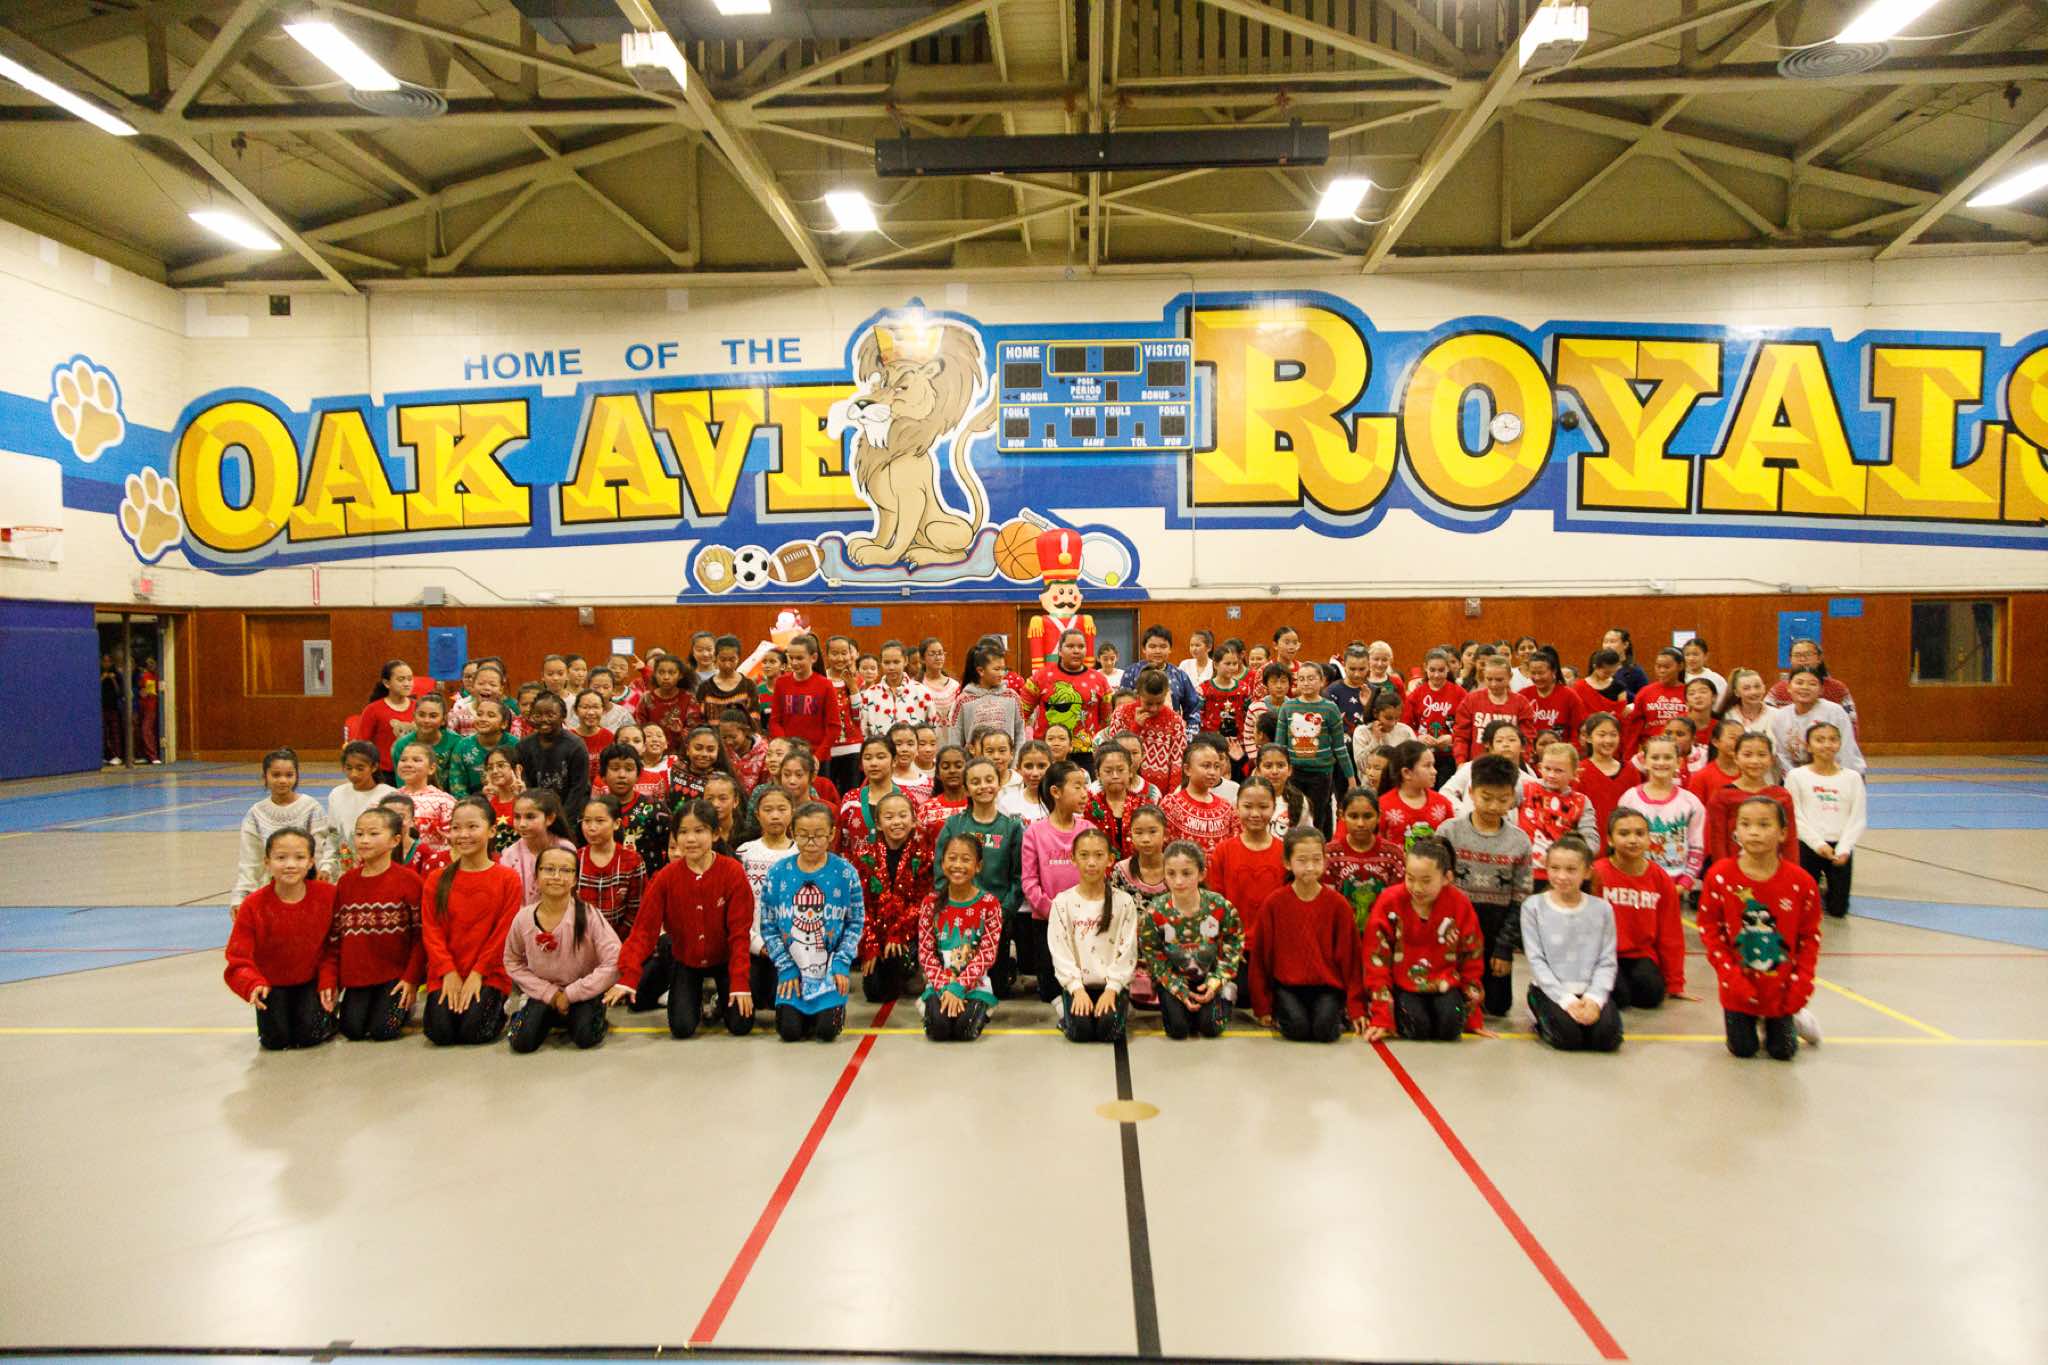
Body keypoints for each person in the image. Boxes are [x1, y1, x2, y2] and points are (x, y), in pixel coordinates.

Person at [609, 799, 756, 1037]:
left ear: (715, 834)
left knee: (741, 1025)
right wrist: (629, 974)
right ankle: (691, 997)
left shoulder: (733, 872)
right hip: (686, 959)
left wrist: (740, 982)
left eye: (699, 831)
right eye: (683, 832)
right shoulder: (665, 877)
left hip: (725, 958)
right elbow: (643, 931)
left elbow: (740, 933)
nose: (690, 839)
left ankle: (719, 998)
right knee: (682, 1028)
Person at [1698, 796, 1823, 1060]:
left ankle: (1796, 1018)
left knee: (1783, 1051)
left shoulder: (1801, 883)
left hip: (1781, 988)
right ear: (1736, 831)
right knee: (1743, 1049)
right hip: (1738, 987)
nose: (1754, 832)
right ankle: (1753, 1019)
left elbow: (1809, 938)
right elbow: (1710, 931)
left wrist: (1801, 984)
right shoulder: (1720, 876)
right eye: (1745, 824)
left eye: (1764, 825)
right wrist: (1731, 978)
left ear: (1783, 833)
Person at [1359, 838, 1486, 1043]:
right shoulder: (1389, 901)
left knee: (1451, 1026)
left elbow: (1472, 956)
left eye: (1426, 881)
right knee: (1417, 1027)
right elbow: (1376, 960)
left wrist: (1473, 1016)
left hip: (1445, 983)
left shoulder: (1460, 904)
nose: (1417, 888)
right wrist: (1382, 1016)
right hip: (1403, 985)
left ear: (1447, 878)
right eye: (1410, 878)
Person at [223, 827, 337, 1051]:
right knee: (275, 1041)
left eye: (299, 857)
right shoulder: (253, 905)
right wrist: (253, 983)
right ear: (267, 862)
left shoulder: (328, 895)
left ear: (311, 862)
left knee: (309, 1036)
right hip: (271, 984)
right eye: (281, 858)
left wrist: (328, 979)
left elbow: (334, 947)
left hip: (312, 980)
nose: (290, 865)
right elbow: (237, 957)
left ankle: (329, 1017)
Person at [421, 798, 524, 1046]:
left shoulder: (508, 879)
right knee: (440, 1033)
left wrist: (478, 974)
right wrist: (448, 972)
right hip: (446, 971)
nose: (463, 835)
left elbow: (502, 935)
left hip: (489, 973)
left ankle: (504, 1009)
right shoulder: (437, 879)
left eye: (472, 827)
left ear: (491, 831)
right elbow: (431, 931)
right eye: (456, 828)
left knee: (474, 1032)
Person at [1438, 754, 1534, 1019]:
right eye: (1486, 797)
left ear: (1513, 798)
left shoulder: (1520, 842)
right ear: (1471, 792)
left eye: (1503, 800)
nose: (1493, 806)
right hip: (1454, 929)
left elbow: (1521, 899)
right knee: (1451, 1002)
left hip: (1495, 930)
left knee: (1498, 1007)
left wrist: (1505, 948)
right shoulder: (1449, 832)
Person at [760, 801, 864, 1042]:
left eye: (818, 836)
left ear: (831, 834)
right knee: (789, 1032)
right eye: (803, 835)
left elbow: (855, 923)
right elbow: (768, 925)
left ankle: (830, 1009)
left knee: (826, 1032)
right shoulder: (777, 873)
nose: (810, 842)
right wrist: (785, 967)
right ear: (793, 833)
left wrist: (841, 963)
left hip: (828, 972)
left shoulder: (846, 873)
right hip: (792, 970)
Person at [503, 846, 620, 1053]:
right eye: (549, 869)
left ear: (575, 879)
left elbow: (614, 960)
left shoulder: (588, 915)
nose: (556, 876)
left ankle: (589, 1013)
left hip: (582, 992)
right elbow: (512, 961)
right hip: (543, 994)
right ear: (536, 876)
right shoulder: (523, 918)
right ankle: (537, 1013)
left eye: (566, 870)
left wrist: (572, 993)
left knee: (585, 1037)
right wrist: (550, 994)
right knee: (522, 1042)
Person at [1248, 827, 1359, 1042]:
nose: (1310, 867)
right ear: (1287, 863)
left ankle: (1336, 1013)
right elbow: (1261, 957)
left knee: (1324, 1030)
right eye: (1302, 860)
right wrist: (1263, 1007)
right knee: (1297, 1028)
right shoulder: (1274, 904)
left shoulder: (1338, 905)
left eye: (1316, 860)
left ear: (1325, 860)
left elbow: (1350, 959)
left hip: (1327, 986)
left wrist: (1356, 1007)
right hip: (1288, 986)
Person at [1519, 835, 1622, 1053]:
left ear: (1587, 872)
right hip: (1550, 991)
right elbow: (1536, 961)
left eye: (1571, 869)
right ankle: (1538, 1013)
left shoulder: (1602, 909)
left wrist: (1594, 999)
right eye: (1555, 868)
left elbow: (1607, 961)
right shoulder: (1533, 907)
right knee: (1568, 1039)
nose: (1562, 876)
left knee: (1606, 1039)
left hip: (1588, 990)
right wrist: (1566, 1001)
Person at [936, 757, 1027, 998]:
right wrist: (950, 907)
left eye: (989, 780)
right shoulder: (954, 825)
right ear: (966, 789)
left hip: (997, 919)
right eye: (975, 782)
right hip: (959, 918)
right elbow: (940, 872)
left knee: (996, 992)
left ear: (999, 784)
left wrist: (1001, 913)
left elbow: (1019, 877)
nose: (983, 786)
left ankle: (1007, 965)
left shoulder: (1012, 828)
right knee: (959, 987)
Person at [331, 808, 423, 1042]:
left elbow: (420, 936)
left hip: (395, 977)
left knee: (385, 1030)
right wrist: (334, 981)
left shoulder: (409, 881)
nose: (364, 840)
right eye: (359, 834)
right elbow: (336, 936)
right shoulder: (346, 883)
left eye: (373, 834)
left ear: (395, 840)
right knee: (352, 1030)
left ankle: (402, 1006)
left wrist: (411, 978)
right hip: (358, 978)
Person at [1138, 840, 1244, 1040]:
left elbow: (1233, 943)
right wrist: (1177, 988)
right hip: (1174, 977)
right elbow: (1153, 955)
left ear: (1201, 874)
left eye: (1186, 873)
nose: (1178, 881)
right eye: (1171, 874)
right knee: (1177, 1030)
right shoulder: (1154, 913)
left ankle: (1227, 994)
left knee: (1210, 1028)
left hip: (1209, 976)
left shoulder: (1220, 906)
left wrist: (1217, 980)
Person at [1046, 827, 1137, 1042]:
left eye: (1099, 855)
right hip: (1079, 985)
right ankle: (1065, 1010)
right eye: (1084, 855)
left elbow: (1128, 950)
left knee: (1109, 1031)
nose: (1091, 862)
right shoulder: (1062, 902)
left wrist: (1113, 989)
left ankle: (1123, 1005)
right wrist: (1076, 989)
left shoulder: (1124, 902)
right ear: (1073, 859)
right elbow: (1060, 951)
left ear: (1110, 859)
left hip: (1111, 985)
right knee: (1081, 1032)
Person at [1592, 808, 1688, 1010]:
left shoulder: (1659, 878)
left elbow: (1670, 932)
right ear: (1610, 840)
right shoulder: (1597, 873)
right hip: (1603, 955)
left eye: (1640, 833)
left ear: (1649, 838)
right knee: (1618, 997)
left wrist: (1675, 982)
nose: (1633, 840)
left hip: (1641, 955)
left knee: (1652, 995)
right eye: (1624, 833)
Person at [917, 833, 1005, 1041]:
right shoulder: (930, 903)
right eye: (952, 858)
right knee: (938, 1029)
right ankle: (929, 1005)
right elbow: (926, 954)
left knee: (964, 1030)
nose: (958, 865)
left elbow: (987, 954)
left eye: (966, 859)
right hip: (939, 983)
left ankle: (983, 1008)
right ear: (942, 863)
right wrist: (945, 987)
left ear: (978, 866)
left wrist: (959, 986)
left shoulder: (990, 904)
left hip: (975, 983)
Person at [1022, 760, 1096, 1003]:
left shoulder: (1088, 830)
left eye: (1085, 787)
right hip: (1046, 922)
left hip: (1083, 921)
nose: (1084, 793)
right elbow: (1029, 882)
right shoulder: (1034, 832)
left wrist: (1080, 911)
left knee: (1083, 986)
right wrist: (1053, 911)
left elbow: (1097, 876)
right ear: (1056, 791)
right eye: (1077, 787)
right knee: (1051, 992)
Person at [849, 791, 932, 1003]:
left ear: (913, 821)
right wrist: (871, 944)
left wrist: (898, 933)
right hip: (877, 932)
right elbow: (861, 906)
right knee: (875, 992)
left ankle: (913, 968)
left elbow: (922, 902)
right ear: (878, 824)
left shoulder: (923, 855)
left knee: (899, 967)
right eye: (889, 817)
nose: (896, 822)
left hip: (909, 932)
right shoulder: (865, 857)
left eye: (903, 816)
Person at [1207, 778, 1286, 996]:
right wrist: (1227, 944)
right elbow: (1216, 904)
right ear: (1237, 807)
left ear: (1274, 807)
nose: (1255, 814)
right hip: (1235, 946)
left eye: (1263, 807)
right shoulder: (1224, 851)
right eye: (1248, 806)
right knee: (1240, 994)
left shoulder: (1284, 853)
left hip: (1273, 947)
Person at [232, 748, 331, 916]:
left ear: (297, 776)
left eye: (289, 775)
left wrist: (325, 873)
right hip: (270, 893)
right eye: (276, 775)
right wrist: (241, 897)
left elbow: (322, 850)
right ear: (265, 777)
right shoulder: (255, 814)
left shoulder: (312, 808)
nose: (283, 780)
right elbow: (250, 861)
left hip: (308, 891)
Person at [1787, 721, 1866, 920]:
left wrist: (1844, 848)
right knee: (1803, 907)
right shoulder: (1796, 776)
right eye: (1819, 740)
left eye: (1832, 739)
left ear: (1840, 744)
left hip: (1840, 848)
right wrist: (1818, 844)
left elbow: (1857, 818)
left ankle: (1828, 891)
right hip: (1808, 845)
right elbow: (1795, 816)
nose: (1827, 745)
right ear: (1808, 746)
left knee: (1838, 910)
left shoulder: (1852, 778)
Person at [1618, 734, 1706, 896]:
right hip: (1635, 885)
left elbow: (1697, 847)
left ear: (1678, 762)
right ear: (1645, 761)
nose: (1661, 762)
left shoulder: (1691, 803)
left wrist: (1684, 884)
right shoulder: (1629, 799)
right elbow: (1620, 844)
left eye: (1667, 757)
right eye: (1655, 757)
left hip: (1675, 886)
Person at [1276, 660, 1354, 836]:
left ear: (1322, 681)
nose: (1306, 683)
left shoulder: (1330, 708)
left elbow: (1340, 748)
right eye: (1302, 679)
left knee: (1317, 817)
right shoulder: (1288, 707)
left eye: (1311, 678)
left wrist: (1351, 779)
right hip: (1293, 773)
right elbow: (1279, 747)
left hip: (1321, 774)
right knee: (1292, 816)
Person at [1703, 733, 1798, 864]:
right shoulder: (1722, 796)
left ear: (1771, 759)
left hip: (1772, 869)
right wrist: (1723, 871)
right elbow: (1717, 842)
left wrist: (1791, 871)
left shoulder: (1782, 796)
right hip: (1734, 869)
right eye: (1747, 755)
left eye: (1762, 755)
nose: (1755, 761)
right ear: (1736, 758)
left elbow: (1790, 841)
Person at [1518, 742, 1600, 879]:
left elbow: (1591, 840)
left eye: (1559, 771)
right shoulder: (1525, 788)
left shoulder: (1581, 801)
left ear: (1575, 773)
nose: (1551, 775)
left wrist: (1573, 858)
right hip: (1523, 871)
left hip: (1561, 876)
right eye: (1547, 769)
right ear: (1540, 767)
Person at [1768, 667, 1866, 776]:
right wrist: (1796, 778)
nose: (1805, 687)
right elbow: (1782, 756)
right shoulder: (1780, 716)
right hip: (1797, 777)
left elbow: (1846, 751)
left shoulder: (1834, 712)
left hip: (1836, 772)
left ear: (1821, 690)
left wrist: (1839, 777)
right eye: (1799, 683)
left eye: (1812, 684)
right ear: (1789, 687)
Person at [575, 793, 645, 939]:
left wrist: (616, 940)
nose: (592, 828)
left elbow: (637, 909)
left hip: (620, 940)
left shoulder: (633, 861)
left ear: (617, 823)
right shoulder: (575, 858)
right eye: (586, 821)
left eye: (600, 821)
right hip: (581, 938)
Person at [1158, 733, 1239, 858]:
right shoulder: (1171, 804)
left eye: (1216, 766)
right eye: (1206, 766)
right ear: (1187, 769)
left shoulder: (1226, 808)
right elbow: (1161, 846)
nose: (1212, 772)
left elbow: (1233, 847)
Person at [324, 741, 394, 878]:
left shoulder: (389, 795)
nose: (354, 774)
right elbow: (333, 835)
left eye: (360, 768)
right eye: (349, 768)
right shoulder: (336, 794)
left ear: (374, 767)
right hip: (345, 869)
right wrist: (327, 866)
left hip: (379, 869)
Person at [769, 635, 843, 765]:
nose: (794, 663)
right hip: (788, 756)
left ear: (813, 658)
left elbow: (834, 727)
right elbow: (775, 721)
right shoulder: (781, 683)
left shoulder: (825, 685)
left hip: (817, 758)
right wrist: (785, 748)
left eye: (799, 658)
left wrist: (817, 756)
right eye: (791, 658)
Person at [1765, 638, 1859, 737]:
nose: (1802, 659)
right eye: (1797, 655)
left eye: (1808, 654)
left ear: (1819, 658)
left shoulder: (1838, 689)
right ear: (1790, 659)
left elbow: (1851, 725)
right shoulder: (1778, 690)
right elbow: (1766, 720)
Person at [498, 789, 576, 905]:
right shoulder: (509, 856)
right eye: (517, 817)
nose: (522, 824)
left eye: (530, 817)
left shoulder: (566, 849)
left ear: (549, 819)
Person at [949, 639, 1026, 753]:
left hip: (1007, 763)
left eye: (1003, 669)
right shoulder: (964, 700)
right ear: (981, 671)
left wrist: (1016, 760)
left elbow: (1020, 733)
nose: (1001, 674)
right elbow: (955, 740)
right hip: (975, 763)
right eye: (997, 669)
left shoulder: (1012, 697)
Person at [513, 692, 590, 805]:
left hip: (569, 808)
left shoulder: (575, 746)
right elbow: (525, 784)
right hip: (535, 808)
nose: (544, 719)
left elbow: (579, 788)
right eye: (538, 716)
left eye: (550, 715)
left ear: (563, 715)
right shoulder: (524, 746)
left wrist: (564, 815)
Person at [1377, 740, 1454, 850]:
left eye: (1433, 765)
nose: (1434, 771)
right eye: (1427, 766)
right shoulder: (1383, 807)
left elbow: (1452, 844)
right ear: (1407, 773)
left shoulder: (1443, 804)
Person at [1403, 648, 1464, 775]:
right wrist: (1418, 737)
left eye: (1441, 670)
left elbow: (1466, 725)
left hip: (1450, 756)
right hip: (1422, 756)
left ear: (1448, 669)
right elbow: (1405, 725)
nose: (1436, 675)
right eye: (1432, 670)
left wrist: (1451, 737)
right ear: (1425, 667)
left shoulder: (1460, 693)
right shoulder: (1416, 694)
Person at [1573, 712, 1635, 836]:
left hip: (1625, 840)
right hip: (1590, 840)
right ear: (1589, 738)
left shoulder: (1630, 770)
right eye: (1602, 735)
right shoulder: (1579, 771)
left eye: (1613, 735)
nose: (1608, 740)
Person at [859, 639, 935, 739]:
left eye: (896, 662)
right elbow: (864, 732)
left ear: (905, 661)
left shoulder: (922, 692)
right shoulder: (870, 695)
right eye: (886, 662)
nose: (891, 667)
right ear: (881, 663)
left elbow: (932, 730)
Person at [392, 745, 453, 867]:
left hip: (433, 867)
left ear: (431, 768)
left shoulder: (445, 802)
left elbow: (453, 841)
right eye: (403, 760)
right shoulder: (388, 800)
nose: (408, 764)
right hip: (395, 866)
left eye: (416, 760)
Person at [391, 693, 463, 795]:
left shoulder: (457, 742)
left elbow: (459, 783)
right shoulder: (402, 745)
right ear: (414, 716)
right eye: (421, 715)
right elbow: (403, 783)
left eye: (433, 716)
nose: (426, 720)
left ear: (443, 720)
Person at [359, 659, 418, 781]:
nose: (407, 683)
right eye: (401, 679)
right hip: (384, 774)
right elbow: (362, 744)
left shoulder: (419, 707)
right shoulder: (373, 710)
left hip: (414, 771)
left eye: (410, 679)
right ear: (386, 683)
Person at [1199, 639, 1253, 772]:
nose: (1232, 667)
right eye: (1227, 663)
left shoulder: (1244, 688)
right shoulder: (1203, 689)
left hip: (1238, 746)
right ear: (1216, 664)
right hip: (1211, 746)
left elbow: (1249, 717)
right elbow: (1198, 716)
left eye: (1235, 663)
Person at [637, 652, 700, 753]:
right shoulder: (647, 698)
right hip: (651, 752)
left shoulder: (689, 698)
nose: (666, 677)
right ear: (655, 674)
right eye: (661, 672)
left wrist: (679, 732)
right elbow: (639, 730)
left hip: (682, 753)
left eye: (671, 673)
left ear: (680, 675)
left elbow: (695, 731)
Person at [1349, 693, 1415, 781]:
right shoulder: (1362, 732)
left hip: (1398, 784)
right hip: (1370, 785)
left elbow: (1415, 763)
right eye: (1388, 718)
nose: (1393, 723)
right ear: (1375, 713)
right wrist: (1375, 740)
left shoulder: (1405, 731)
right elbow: (1362, 766)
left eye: (1397, 718)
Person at [568, 688, 615, 764]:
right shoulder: (568, 738)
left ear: (603, 710)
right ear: (576, 710)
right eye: (585, 707)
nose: (591, 712)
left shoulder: (609, 737)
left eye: (596, 707)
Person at [1602, 628, 1649, 700]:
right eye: (1605, 642)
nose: (1608, 646)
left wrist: (1619, 689)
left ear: (1625, 644)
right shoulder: (1599, 670)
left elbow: (1645, 700)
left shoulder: (1636, 671)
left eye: (1612, 641)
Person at [1682, 636, 1728, 706]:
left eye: (1695, 654)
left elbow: (1723, 704)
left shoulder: (1716, 679)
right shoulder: (1679, 678)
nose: (1691, 658)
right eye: (1687, 655)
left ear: (1705, 656)